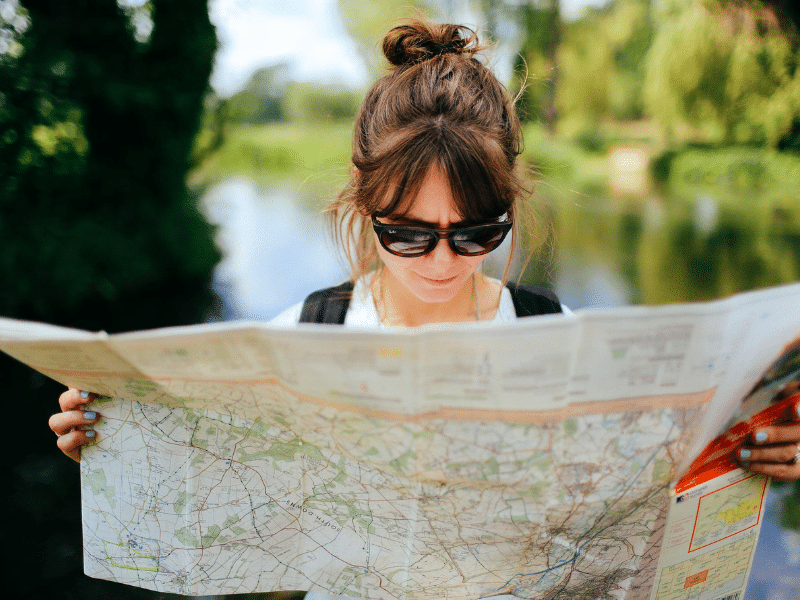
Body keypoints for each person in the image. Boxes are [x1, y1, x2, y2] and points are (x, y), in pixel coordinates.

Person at [50, 10, 800, 558]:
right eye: (408, 233)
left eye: (476, 231)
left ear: (512, 204)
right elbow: (216, 491)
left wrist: (752, 452)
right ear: (363, 204)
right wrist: (116, 443)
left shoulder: (558, 330)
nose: (443, 262)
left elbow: (633, 500)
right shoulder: (298, 334)